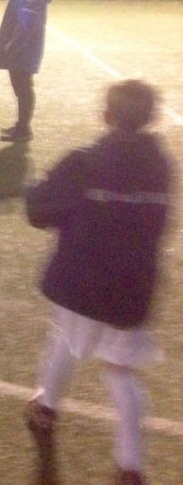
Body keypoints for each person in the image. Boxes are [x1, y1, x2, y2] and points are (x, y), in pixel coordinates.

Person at [24, 80, 173, 485]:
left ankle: (47, 406)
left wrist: (30, 187)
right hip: (132, 286)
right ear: (151, 117)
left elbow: (39, 211)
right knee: (122, 373)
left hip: (82, 281)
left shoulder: (85, 161)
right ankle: (130, 466)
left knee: (63, 337)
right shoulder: (160, 164)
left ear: (106, 115)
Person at [0, 0, 54, 143]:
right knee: (22, 88)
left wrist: (11, 48)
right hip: (22, 48)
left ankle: (24, 130)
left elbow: (26, 26)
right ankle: (21, 126)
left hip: (23, 50)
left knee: (23, 89)